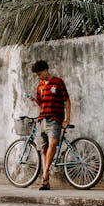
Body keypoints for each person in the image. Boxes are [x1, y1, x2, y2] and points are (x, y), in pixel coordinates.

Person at [30, 60, 71, 190]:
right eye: (37, 75)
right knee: (43, 150)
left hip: (55, 119)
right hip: (42, 120)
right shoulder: (40, 86)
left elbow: (67, 101)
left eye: (39, 73)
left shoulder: (58, 82)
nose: (38, 76)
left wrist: (67, 119)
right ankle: (46, 182)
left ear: (46, 70)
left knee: (53, 144)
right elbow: (41, 103)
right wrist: (34, 101)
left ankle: (45, 174)